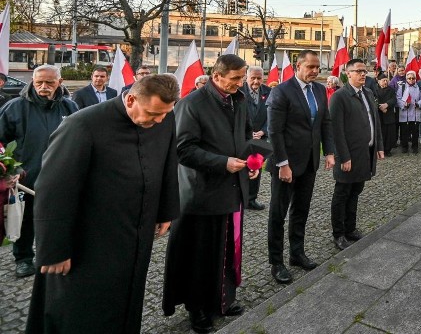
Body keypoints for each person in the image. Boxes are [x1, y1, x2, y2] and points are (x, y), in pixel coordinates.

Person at [26, 75, 180, 333]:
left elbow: (166, 164)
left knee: (128, 300)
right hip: (90, 240)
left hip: (135, 232)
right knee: (82, 311)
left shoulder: (163, 117)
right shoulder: (82, 125)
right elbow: (53, 189)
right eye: (153, 114)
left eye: (165, 114)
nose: (159, 121)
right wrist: (54, 250)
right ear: (131, 99)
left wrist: (165, 210)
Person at [162, 54, 259, 334]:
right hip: (202, 195)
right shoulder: (192, 104)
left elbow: (245, 134)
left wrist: (250, 163)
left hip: (231, 188)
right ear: (217, 76)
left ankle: (223, 299)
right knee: (201, 256)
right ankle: (198, 309)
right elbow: (183, 149)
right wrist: (223, 163)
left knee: (227, 251)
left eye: (242, 78)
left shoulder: (237, 99)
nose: (240, 83)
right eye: (235, 79)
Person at [0, 65, 78, 278]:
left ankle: (55, 254)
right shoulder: (14, 107)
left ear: (59, 83)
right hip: (26, 177)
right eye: (39, 82)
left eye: (49, 83)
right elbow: (0, 141)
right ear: (33, 82)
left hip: (60, 177)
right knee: (25, 220)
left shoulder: (71, 108)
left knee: (58, 217)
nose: (44, 87)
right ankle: (23, 258)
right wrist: (10, 168)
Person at [265, 50, 334, 285]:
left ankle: (297, 253)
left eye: (318, 67)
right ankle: (276, 262)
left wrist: (330, 151)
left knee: (301, 211)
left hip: (309, 162)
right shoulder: (281, 91)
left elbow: (325, 122)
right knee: (278, 213)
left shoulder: (320, 90)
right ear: (298, 65)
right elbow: (274, 131)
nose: (315, 71)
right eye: (311, 67)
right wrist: (282, 164)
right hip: (286, 164)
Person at [328, 59, 384, 250]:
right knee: (342, 194)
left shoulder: (368, 93)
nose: (363, 74)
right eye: (358, 71)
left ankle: (350, 228)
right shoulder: (339, 97)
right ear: (347, 73)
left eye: (364, 71)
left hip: (365, 153)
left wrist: (379, 146)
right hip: (348, 156)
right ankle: (339, 234)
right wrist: (343, 157)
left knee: (356, 192)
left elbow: (374, 121)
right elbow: (336, 131)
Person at [242, 65, 271, 211]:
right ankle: (239, 199)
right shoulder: (238, 91)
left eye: (259, 78)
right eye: (252, 78)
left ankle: (251, 199)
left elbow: (272, 116)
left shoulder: (269, 92)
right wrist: (247, 133)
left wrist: (263, 131)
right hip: (243, 138)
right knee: (241, 167)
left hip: (260, 139)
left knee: (256, 167)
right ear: (246, 77)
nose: (256, 81)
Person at [396, 70, 421, 154]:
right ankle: (404, 146)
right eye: (409, 78)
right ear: (406, 79)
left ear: (415, 78)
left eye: (413, 78)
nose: (411, 80)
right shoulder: (402, 87)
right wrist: (404, 104)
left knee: (415, 132)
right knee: (404, 131)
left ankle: (415, 147)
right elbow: (398, 98)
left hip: (415, 112)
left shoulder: (419, 87)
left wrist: (418, 104)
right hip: (405, 113)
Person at [374, 73, 397, 157]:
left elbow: (394, 99)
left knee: (389, 134)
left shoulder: (391, 90)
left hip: (389, 113)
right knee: (380, 133)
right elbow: (373, 100)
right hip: (379, 115)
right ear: (379, 81)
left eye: (386, 80)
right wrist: (380, 107)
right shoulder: (374, 90)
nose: (385, 82)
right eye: (383, 80)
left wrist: (386, 105)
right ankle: (380, 149)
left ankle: (388, 150)